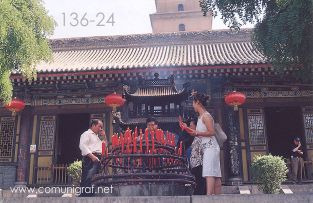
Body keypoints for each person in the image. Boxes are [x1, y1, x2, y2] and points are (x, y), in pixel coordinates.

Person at [187, 92, 222, 195]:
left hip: (210, 147)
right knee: (214, 172)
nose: (192, 105)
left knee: (209, 172)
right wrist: (188, 128)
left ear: (197, 102)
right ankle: (216, 197)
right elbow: (199, 133)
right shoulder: (200, 116)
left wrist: (197, 132)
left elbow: (212, 132)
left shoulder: (206, 116)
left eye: (193, 103)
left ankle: (209, 196)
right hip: (207, 147)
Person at [79, 119, 106, 197]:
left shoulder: (98, 136)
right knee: (88, 176)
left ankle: (92, 195)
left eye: (102, 127)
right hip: (90, 158)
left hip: (98, 157)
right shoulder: (86, 134)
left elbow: (105, 146)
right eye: (99, 126)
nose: (101, 128)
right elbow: (83, 146)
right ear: (93, 125)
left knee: (96, 178)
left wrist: (104, 137)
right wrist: (92, 156)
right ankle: (84, 195)